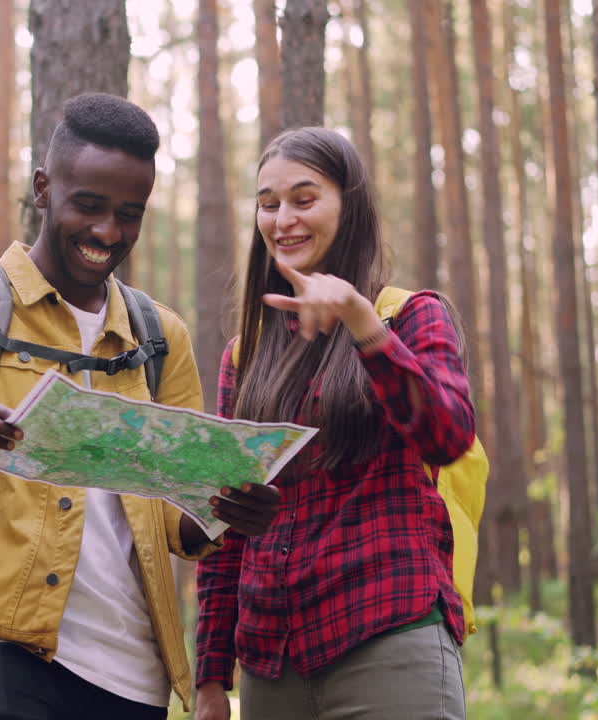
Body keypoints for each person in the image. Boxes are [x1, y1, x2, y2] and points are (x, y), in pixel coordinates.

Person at [0, 92, 281, 720]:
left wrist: (229, 511)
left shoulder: (159, 336)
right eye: (88, 205)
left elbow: (178, 521)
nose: (107, 232)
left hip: (133, 672)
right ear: (43, 188)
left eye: (129, 214)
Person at [193, 127, 475, 720]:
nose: (283, 220)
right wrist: (211, 678)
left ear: (350, 207)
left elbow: (447, 436)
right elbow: (226, 527)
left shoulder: (410, 316)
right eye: (268, 204)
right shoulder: (244, 357)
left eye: (304, 198)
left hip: (390, 637)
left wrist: (361, 322)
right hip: (271, 667)